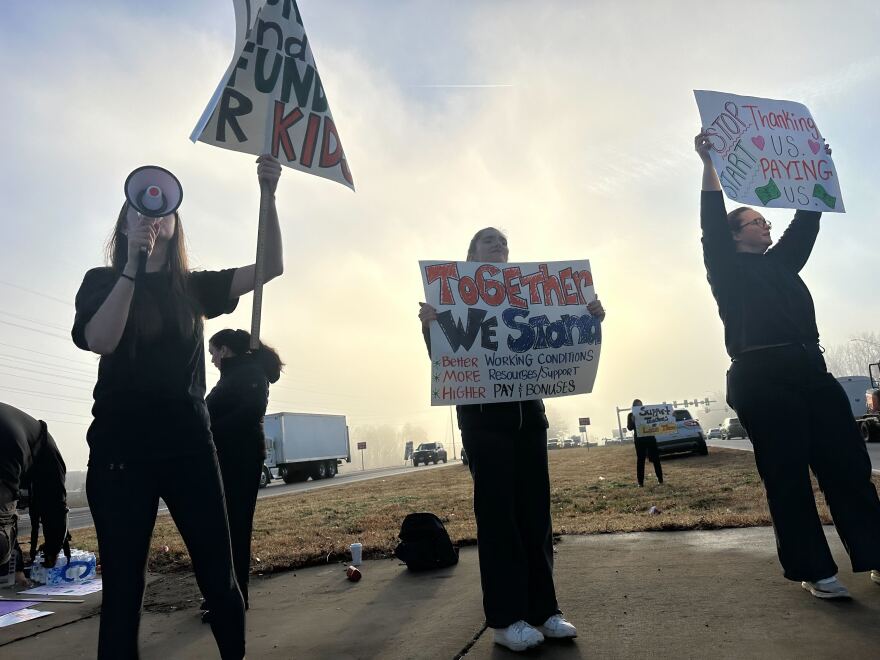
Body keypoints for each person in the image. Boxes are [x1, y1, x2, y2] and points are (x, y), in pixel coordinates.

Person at [71, 154, 283, 659]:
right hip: (120, 454)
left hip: (189, 448)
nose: (149, 216)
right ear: (123, 223)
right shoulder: (100, 281)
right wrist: (130, 269)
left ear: (175, 223)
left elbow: (269, 266)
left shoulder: (193, 287)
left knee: (219, 577)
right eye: (138, 210)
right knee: (123, 590)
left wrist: (269, 194)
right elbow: (101, 340)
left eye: (161, 210)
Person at [695, 131, 880, 599]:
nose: (766, 227)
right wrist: (709, 162)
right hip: (761, 378)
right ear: (736, 235)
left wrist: (816, 166)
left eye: (765, 221)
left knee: (848, 465)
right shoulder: (725, 268)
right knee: (787, 476)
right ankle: (814, 570)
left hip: (810, 373)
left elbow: (807, 221)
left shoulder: (782, 265)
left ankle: (875, 551)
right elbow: (711, 224)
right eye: (756, 222)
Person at [418, 227, 605, 652]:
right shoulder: (449, 300)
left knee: (536, 516)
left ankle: (544, 611)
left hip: (530, 420)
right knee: (499, 518)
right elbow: (446, 358)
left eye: (503, 242)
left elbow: (563, 337)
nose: (499, 245)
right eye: (489, 241)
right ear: (470, 255)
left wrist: (588, 316)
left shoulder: (534, 295)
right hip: (485, 424)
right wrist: (431, 327)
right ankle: (506, 620)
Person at [204, 328, 283, 618]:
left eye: (213, 352)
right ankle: (224, 592)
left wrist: (208, 431)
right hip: (225, 459)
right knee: (222, 529)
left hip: (241, 460)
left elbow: (250, 412)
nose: (211, 359)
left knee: (236, 527)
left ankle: (236, 595)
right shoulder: (232, 376)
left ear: (225, 350)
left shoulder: (251, 374)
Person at [0, 403, 69, 580]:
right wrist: (53, 548)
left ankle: (12, 571)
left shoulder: (32, 438)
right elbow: (55, 506)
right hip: (7, 442)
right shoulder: (46, 451)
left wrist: (17, 569)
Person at [626, 399, 663, 486]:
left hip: (650, 438)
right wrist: (632, 421)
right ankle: (640, 482)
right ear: (634, 407)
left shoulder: (648, 412)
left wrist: (671, 416)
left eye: (641, 405)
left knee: (656, 459)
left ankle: (660, 479)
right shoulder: (631, 415)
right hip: (639, 440)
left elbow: (658, 420)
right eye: (637, 405)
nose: (640, 407)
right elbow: (629, 428)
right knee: (640, 461)